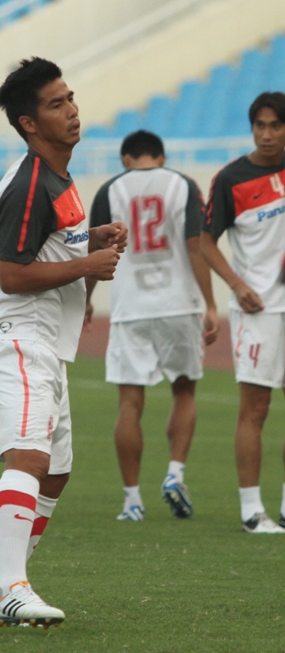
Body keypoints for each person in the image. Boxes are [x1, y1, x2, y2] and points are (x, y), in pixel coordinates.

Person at [0, 57, 127, 628]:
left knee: (54, 472)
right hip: (17, 335)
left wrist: (90, 240)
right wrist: (87, 263)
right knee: (30, 459)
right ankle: (14, 589)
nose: (73, 110)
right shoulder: (32, 182)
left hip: (45, 343)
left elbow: (48, 245)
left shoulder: (58, 177)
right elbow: (11, 275)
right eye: (57, 104)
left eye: (71, 97)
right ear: (29, 124)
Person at [87, 130, 218, 522]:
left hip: (131, 306)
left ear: (125, 159)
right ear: (161, 157)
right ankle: (175, 472)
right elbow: (195, 247)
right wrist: (211, 303)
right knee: (184, 390)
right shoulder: (183, 184)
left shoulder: (109, 189)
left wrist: (86, 298)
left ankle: (132, 501)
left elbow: (94, 251)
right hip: (179, 304)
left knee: (129, 403)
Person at [201, 91, 285, 534]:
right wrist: (237, 285)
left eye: (276, 126)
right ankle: (252, 511)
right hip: (259, 309)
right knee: (256, 408)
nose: (267, 134)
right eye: (260, 126)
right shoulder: (231, 178)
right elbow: (205, 242)